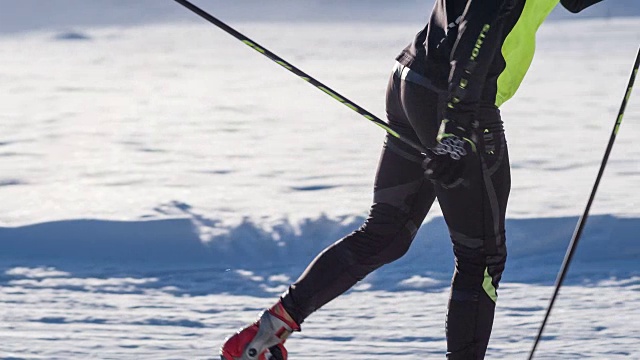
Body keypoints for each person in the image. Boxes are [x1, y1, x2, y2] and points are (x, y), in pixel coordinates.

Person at [220, 0, 604, 359]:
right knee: (481, 258)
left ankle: (266, 334)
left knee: (387, 233)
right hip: (454, 96)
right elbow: (478, 24)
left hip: (414, 80)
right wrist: (456, 127)